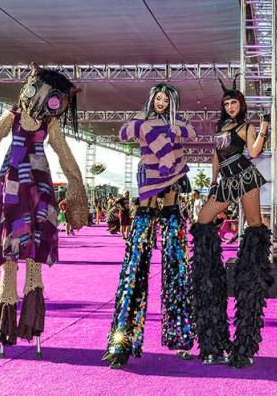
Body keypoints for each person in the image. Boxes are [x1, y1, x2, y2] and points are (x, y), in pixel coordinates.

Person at [0, 66, 88, 358]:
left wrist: (77, 193)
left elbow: (68, 160)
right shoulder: (12, 117)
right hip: (13, 191)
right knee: (10, 257)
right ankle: (11, 320)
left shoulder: (49, 125)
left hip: (37, 193)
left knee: (33, 260)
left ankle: (28, 322)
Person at [103, 84, 197, 369]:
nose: (161, 102)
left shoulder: (176, 124)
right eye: (158, 98)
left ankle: (180, 334)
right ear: (151, 100)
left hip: (170, 192)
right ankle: (121, 340)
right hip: (148, 194)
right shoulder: (142, 123)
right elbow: (123, 133)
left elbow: (191, 134)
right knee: (135, 268)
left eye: (166, 99)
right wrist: (151, 130)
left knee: (176, 265)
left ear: (172, 103)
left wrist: (165, 132)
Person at [190, 77, 272, 368]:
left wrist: (263, 131)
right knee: (202, 221)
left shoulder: (246, 127)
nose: (230, 106)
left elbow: (252, 153)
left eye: (234, 102)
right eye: (226, 103)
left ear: (241, 105)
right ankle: (211, 280)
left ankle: (248, 324)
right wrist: (212, 183)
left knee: (255, 230)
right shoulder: (219, 129)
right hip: (226, 180)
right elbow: (215, 157)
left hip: (245, 177)